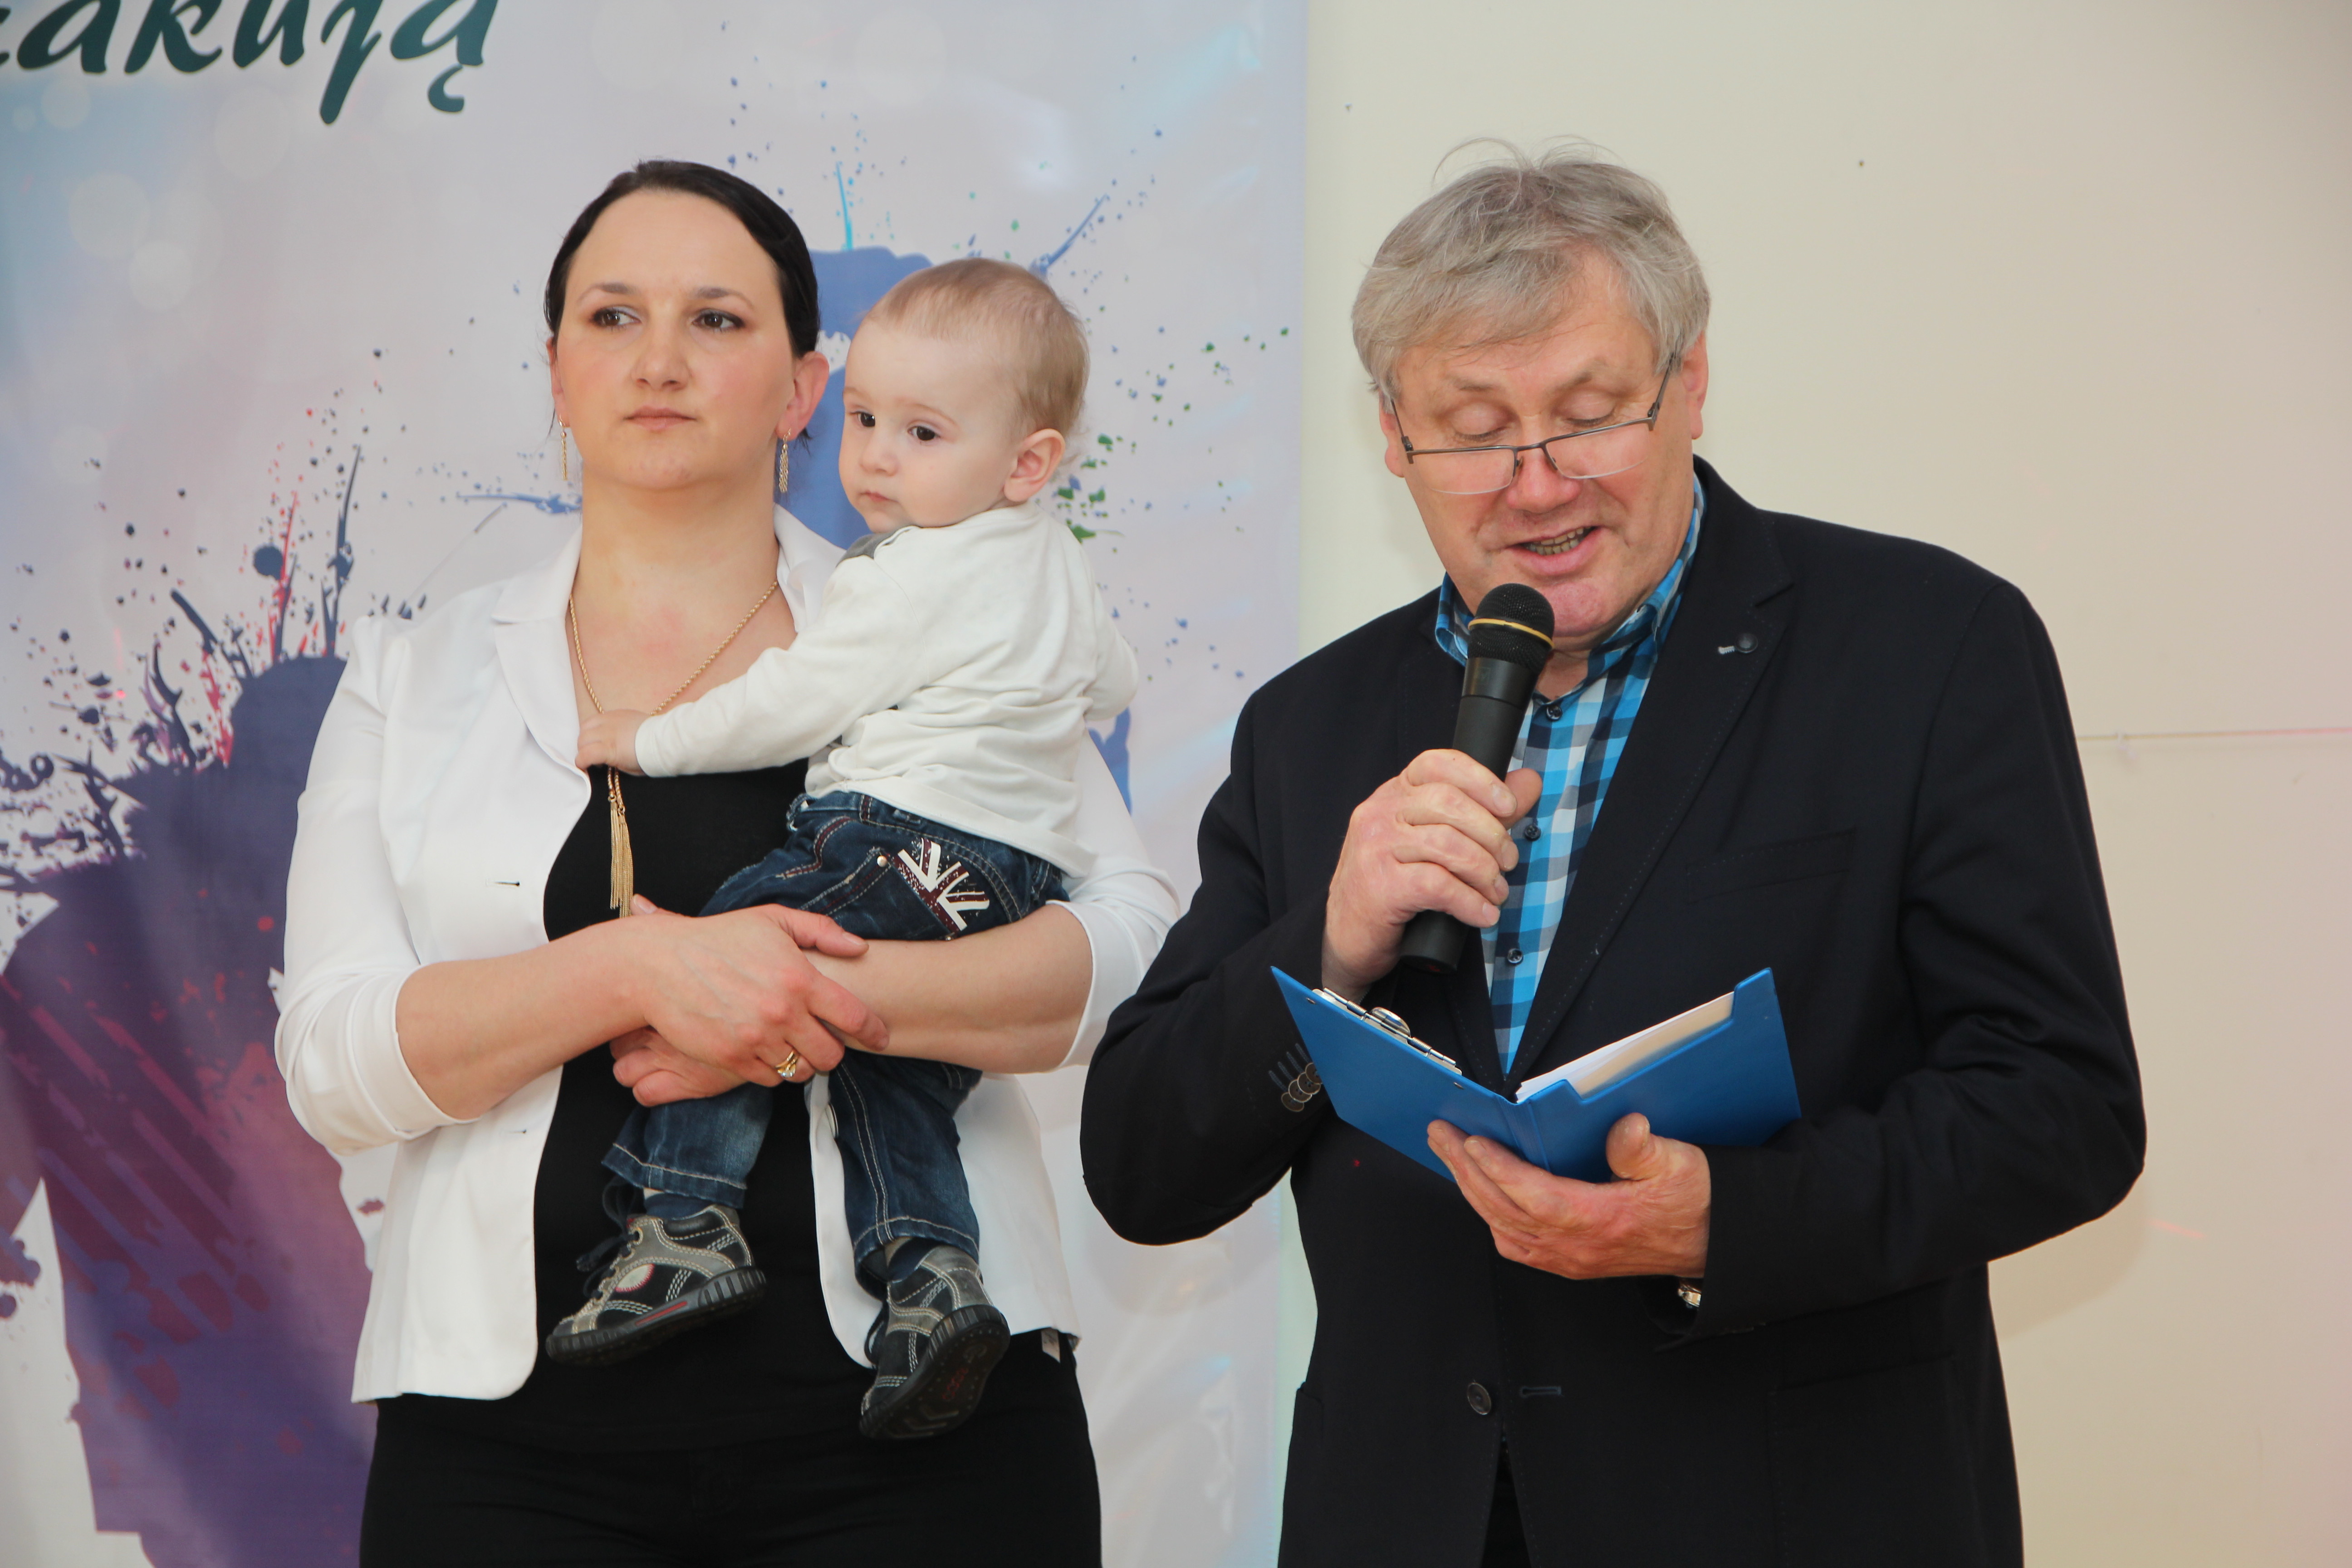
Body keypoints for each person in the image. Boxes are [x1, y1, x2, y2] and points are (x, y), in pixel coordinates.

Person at [1080, 147, 2142, 1568]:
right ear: (1392, 437)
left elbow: (2062, 1108)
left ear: (1689, 384)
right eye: (1474, 429)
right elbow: (1142, 1165)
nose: (1537, 485)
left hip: (1790, 1516)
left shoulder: (1926, 646)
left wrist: (1726, 1222)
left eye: (1589, 417)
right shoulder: (1310, 726)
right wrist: (1331, 940)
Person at [275, 160, 1174, 1565]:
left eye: (717, 319)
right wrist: (639, 972)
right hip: (510, 1455)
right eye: (613, 317)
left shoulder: (952, 593)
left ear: (807, 388)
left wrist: (804, 998)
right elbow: (336, 1063)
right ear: (557, 372)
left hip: (926, 1444)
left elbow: (1130, 950)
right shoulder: (415, 673)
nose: (660, 360)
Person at [554, 258, 1137, 1449]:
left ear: (1028, 463)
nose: (874, 457)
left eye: (922, 433)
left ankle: (685, 1224)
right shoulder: (1059, 564)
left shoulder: (907, 574)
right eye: (864, 419)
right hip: (1006, 884)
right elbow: (1110, 682)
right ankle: (932, 1283)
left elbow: (793, 702)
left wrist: (650, 740)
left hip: (893, 835)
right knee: (894, 1076)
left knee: (741, 939)